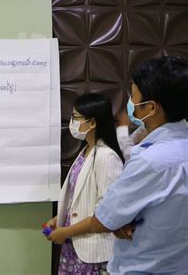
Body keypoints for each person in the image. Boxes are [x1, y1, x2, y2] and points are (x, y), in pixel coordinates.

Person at [48, 56, 188, 274]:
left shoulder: (149, 160)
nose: (130, 103)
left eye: (133, 96)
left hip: (143, 266)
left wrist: (115, 221)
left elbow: (105, 217)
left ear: (151, 107)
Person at [45, 93, 124, 274]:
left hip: (92, 252)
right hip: (74, 247)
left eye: (76, 117)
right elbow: (79, 198)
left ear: (93, 122)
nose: (72, 122)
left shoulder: (106, 157)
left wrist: (66, 232)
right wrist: (60, 219)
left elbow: (105, 213)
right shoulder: (86, 151)